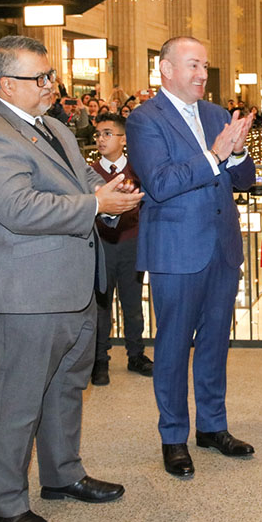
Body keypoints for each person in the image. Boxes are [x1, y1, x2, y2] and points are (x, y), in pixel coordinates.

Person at [0, 36, 141, 522]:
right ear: (4, 85)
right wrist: (96, 205)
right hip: (24, 292)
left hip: (71, 284)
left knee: (65, 387)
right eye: (38, 78)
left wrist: (113, 195)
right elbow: (20, 208)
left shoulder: (54, 126)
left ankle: (62, 474)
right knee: (17, 400)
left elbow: (84, 180)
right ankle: (3, 505)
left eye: (50, 75)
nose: (50, 85)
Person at [125, 36, 256, 480]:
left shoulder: (217, 114)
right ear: (165, 68)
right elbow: (161, 183)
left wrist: (237, 151)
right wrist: (216, 153)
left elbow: (243, 178)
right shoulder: (145, 120)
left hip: (221, 246)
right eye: (194, 65)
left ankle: (212, 427)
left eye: (205, 66)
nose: (203, 74)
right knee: (174, 346)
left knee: (216, 342)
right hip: (176, 250)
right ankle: (173, 437)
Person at [89, 112, 152, 386]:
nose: (101, 139)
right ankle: (100, 358)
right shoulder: (89, 172)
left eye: (107, 133)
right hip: (101, 245)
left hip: (131, 243)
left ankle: (136, 353)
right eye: (98, 135)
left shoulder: (138, 169)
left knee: (132, 302)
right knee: (101, 304)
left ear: (123, 138)